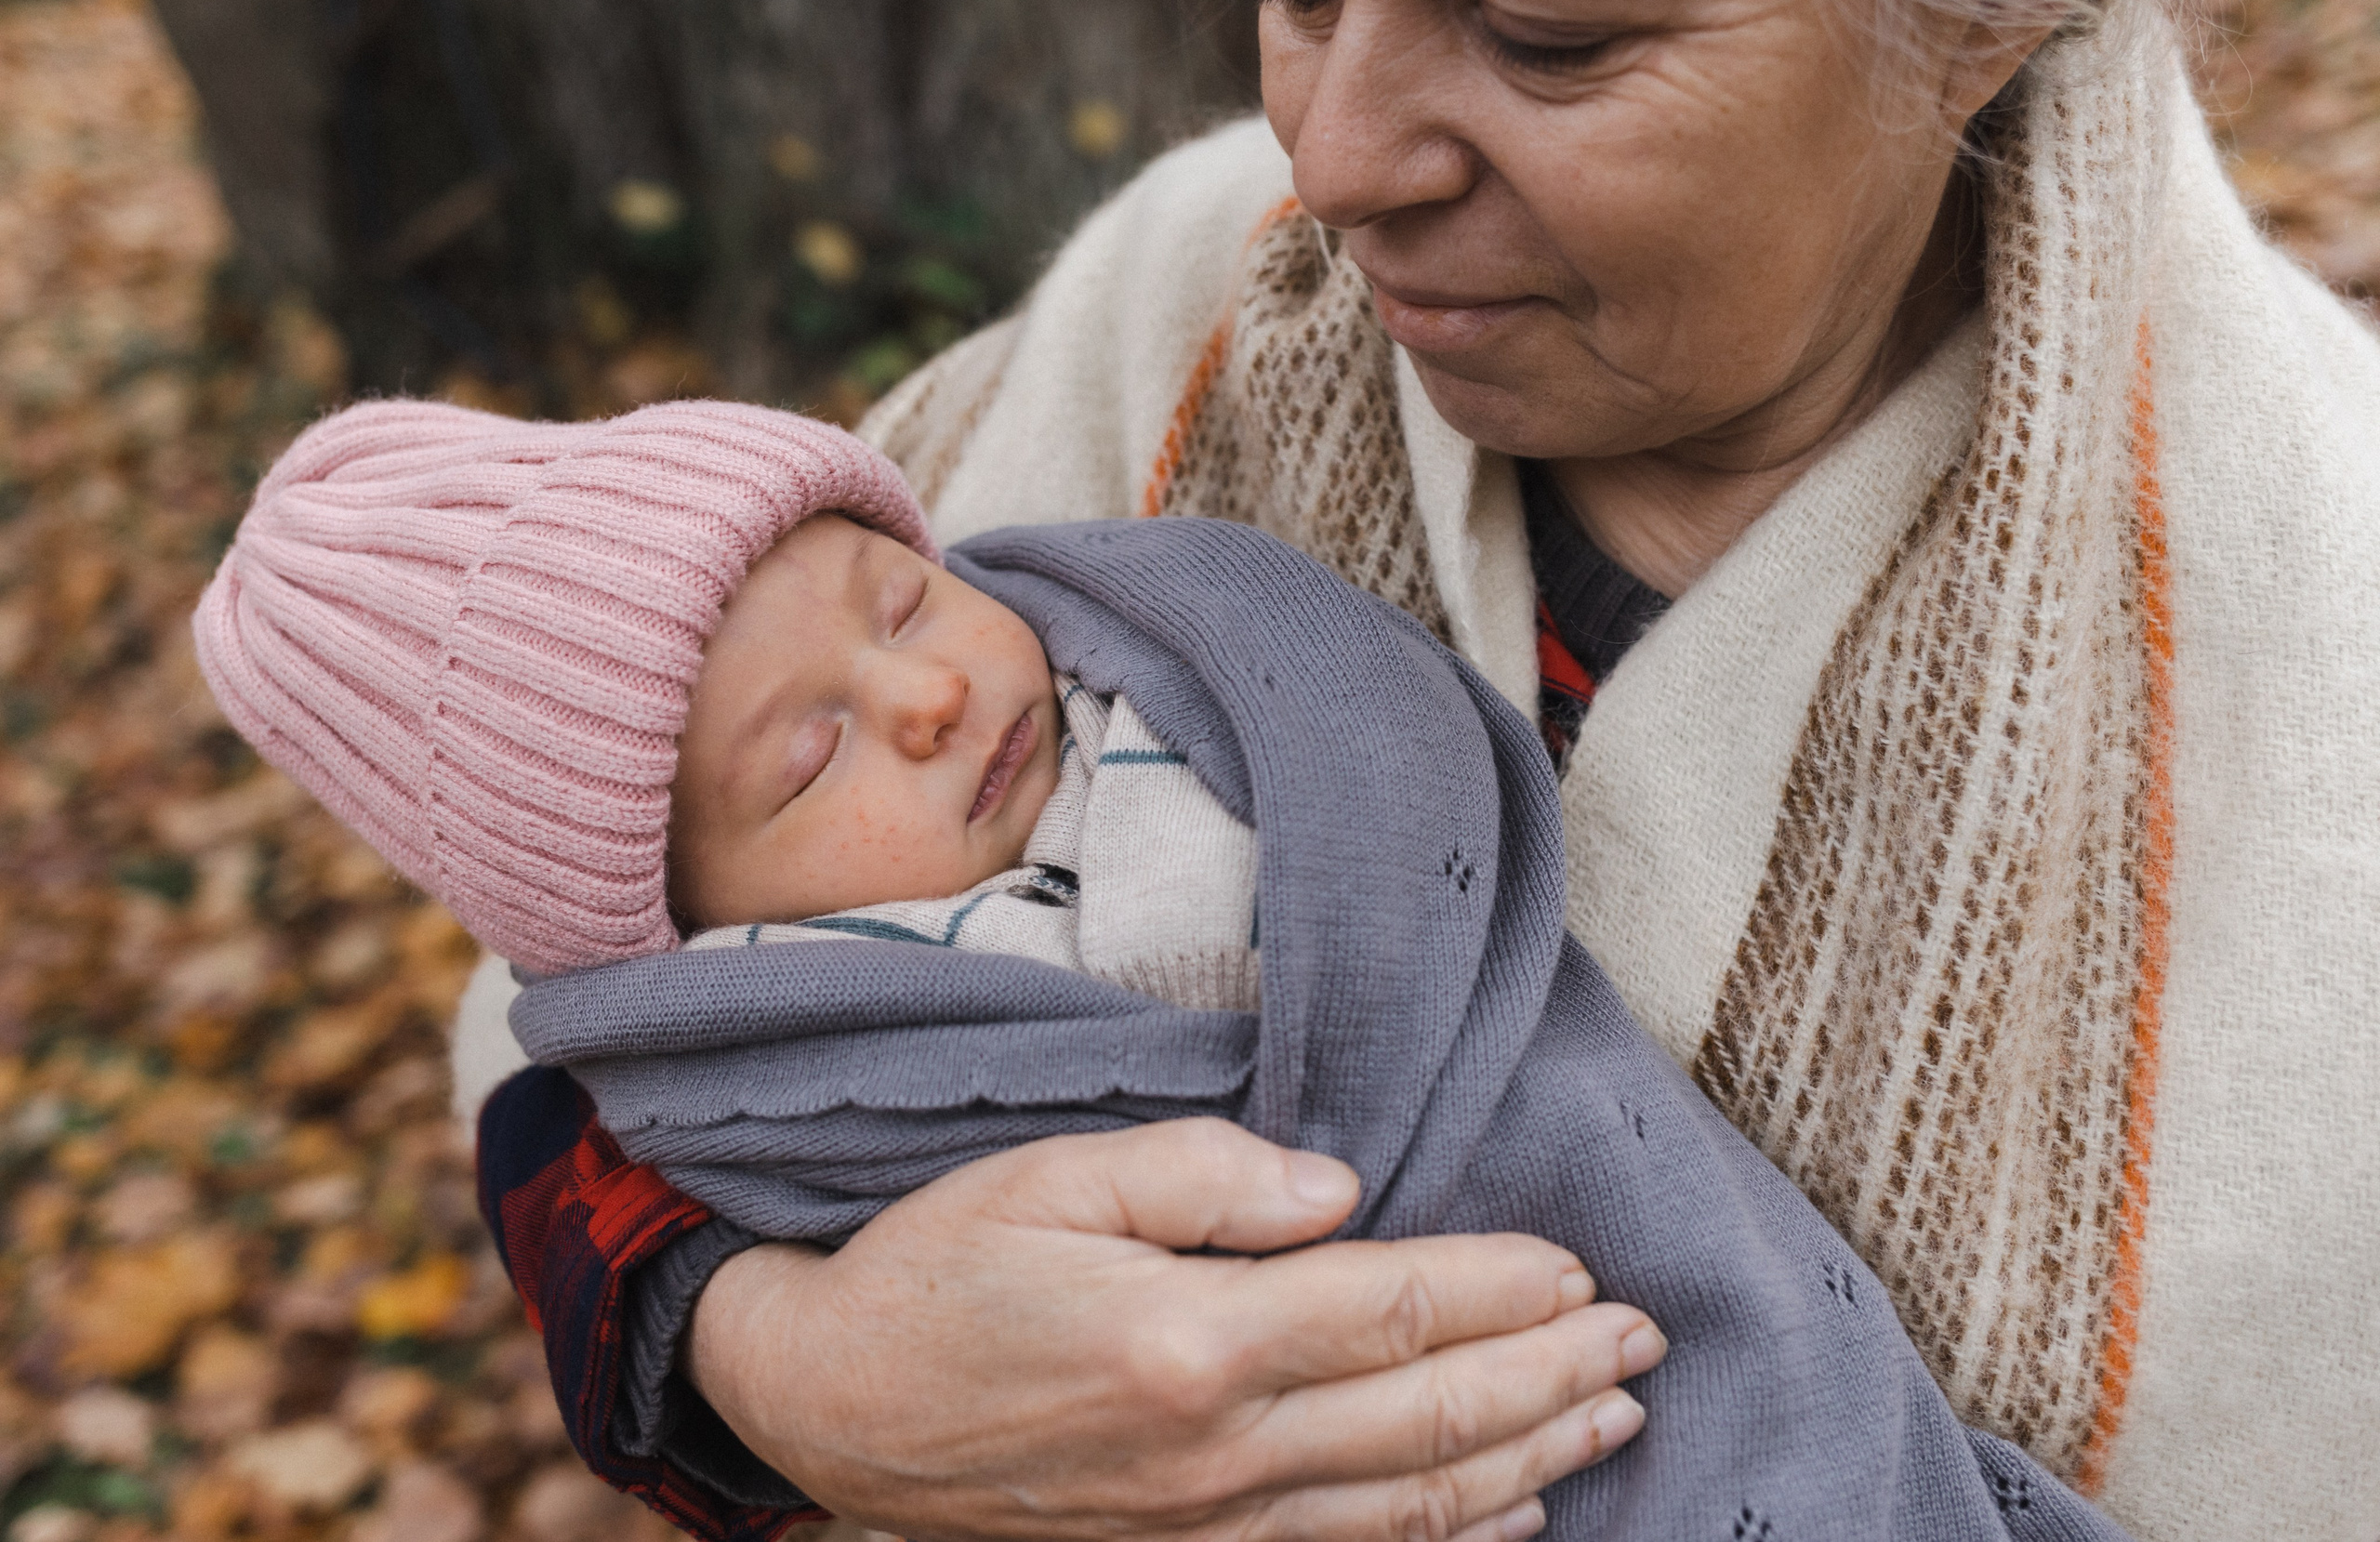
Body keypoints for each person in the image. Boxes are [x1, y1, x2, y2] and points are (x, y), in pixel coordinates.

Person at [451, 0, 2380, 1538]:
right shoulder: (1178, 308)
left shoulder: (2319, 672)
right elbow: (565, 958)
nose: (1336, 156)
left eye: (1544, 32)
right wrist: (778, 1359)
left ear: (1977, 11)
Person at [199, 396, 2127, 1541]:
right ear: (716, 939)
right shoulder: (1161, 319)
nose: (936, 681)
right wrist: (769, 1349)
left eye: (905, 595)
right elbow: (556, 1068)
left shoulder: (2261, 568)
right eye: (808, 758)